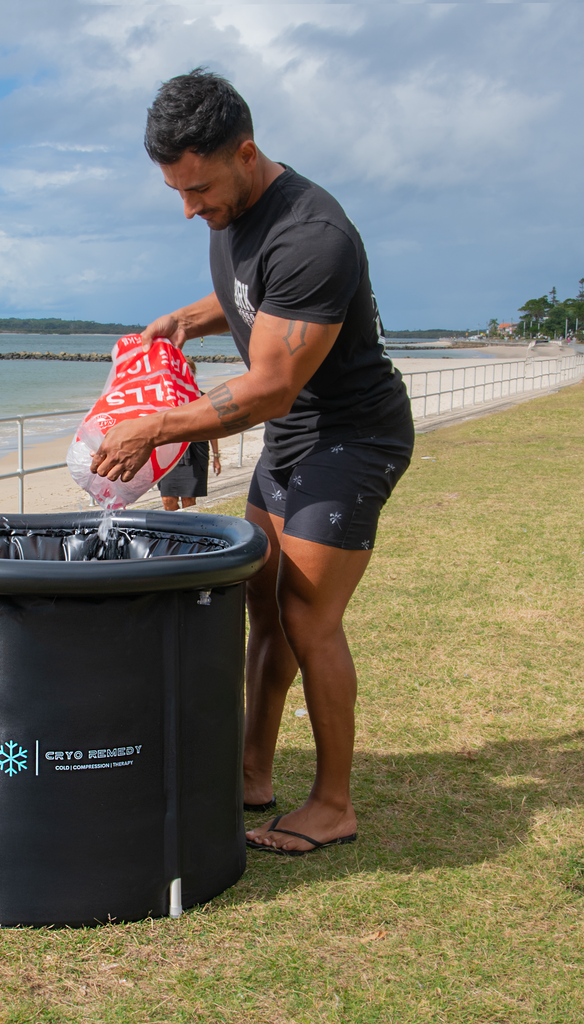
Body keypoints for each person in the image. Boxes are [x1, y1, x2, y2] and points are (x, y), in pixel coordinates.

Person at [91, 69, 414, 855]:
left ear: (246, 152)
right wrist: (180, 321)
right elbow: (247, 298)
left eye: (199, 189)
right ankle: (250, 772)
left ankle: (333, 805)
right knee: (262, 606)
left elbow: (270, 384)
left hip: (353, 436)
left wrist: (154, 428)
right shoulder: (230, 209)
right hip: (296, 433)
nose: (191, 208)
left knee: (309, 615)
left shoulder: (313, 237)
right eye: (177, 191)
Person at [160, 357, 222, 510]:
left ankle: (184, 532)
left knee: (189, 501)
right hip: (170, 454)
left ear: (194, 373)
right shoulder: (167, 399)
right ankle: (172, 532)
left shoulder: (204, 399)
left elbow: (213, 429)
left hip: (195, 453)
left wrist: (216, 457)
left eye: (191, 371)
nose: (187, 374)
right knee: (167, 500)